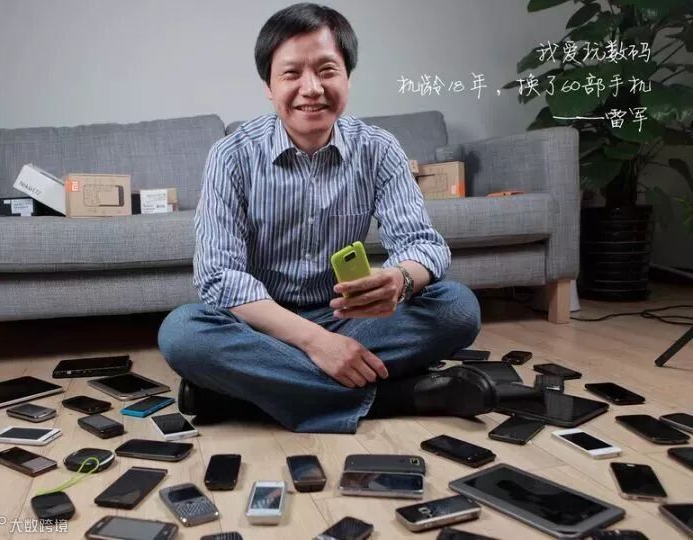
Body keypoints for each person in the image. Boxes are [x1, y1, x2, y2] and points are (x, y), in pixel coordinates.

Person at [157, 2, 499, 433]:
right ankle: (400, 395)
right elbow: (218, 277)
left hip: (353, 321)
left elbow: (423, 244)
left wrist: (399, 280)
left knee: (457, 307)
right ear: (269, 86)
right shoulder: (232, 155)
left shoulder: (378, 149)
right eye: (291, 73)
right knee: (182, 332)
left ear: (347, 77)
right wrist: (316, 343)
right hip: (264, 325)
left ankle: (242, 395)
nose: (311, 88)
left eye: (326, 70)